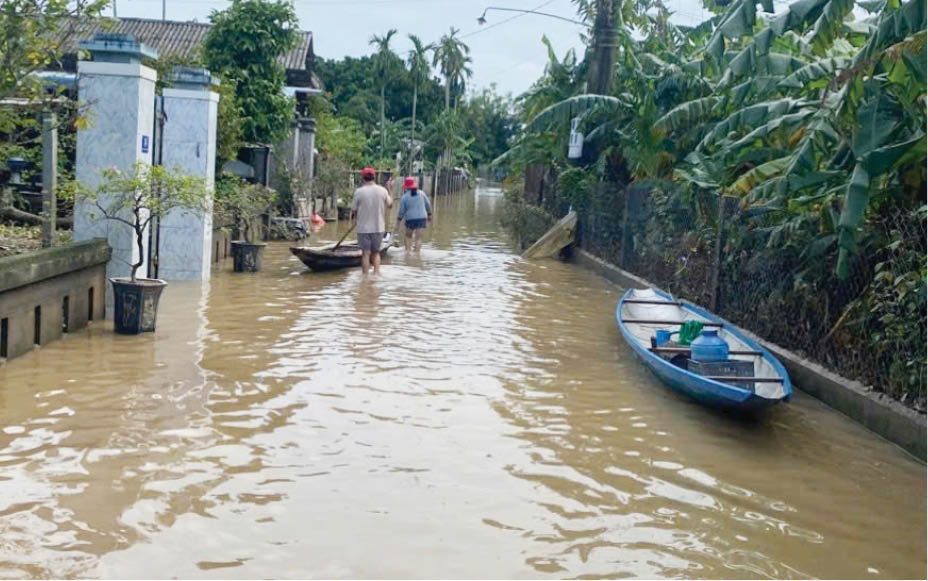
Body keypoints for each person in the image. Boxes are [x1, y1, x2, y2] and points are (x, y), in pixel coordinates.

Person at [352, 166, 392, 275]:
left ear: (363, 178)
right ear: (374, 177)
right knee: (376, 253)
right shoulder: (382, 190)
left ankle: (365, 277)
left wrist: (358, 218)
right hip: (378, 228)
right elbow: (390, 204)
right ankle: (376, 274)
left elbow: (354, 211)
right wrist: (389, 190)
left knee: (365, 253)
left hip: (363, 228)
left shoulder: (358, 192)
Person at [395, 176, 432, 252]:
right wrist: (429, 215)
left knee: (408, 236)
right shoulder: (422, 193)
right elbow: (428, 204)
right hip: (422, 218)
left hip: (410, 219)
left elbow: (401, 212)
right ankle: (417, 254)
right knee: (418, 238)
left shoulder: (404, 197)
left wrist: (398, 223)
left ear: (406, 187)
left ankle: (408, 253)